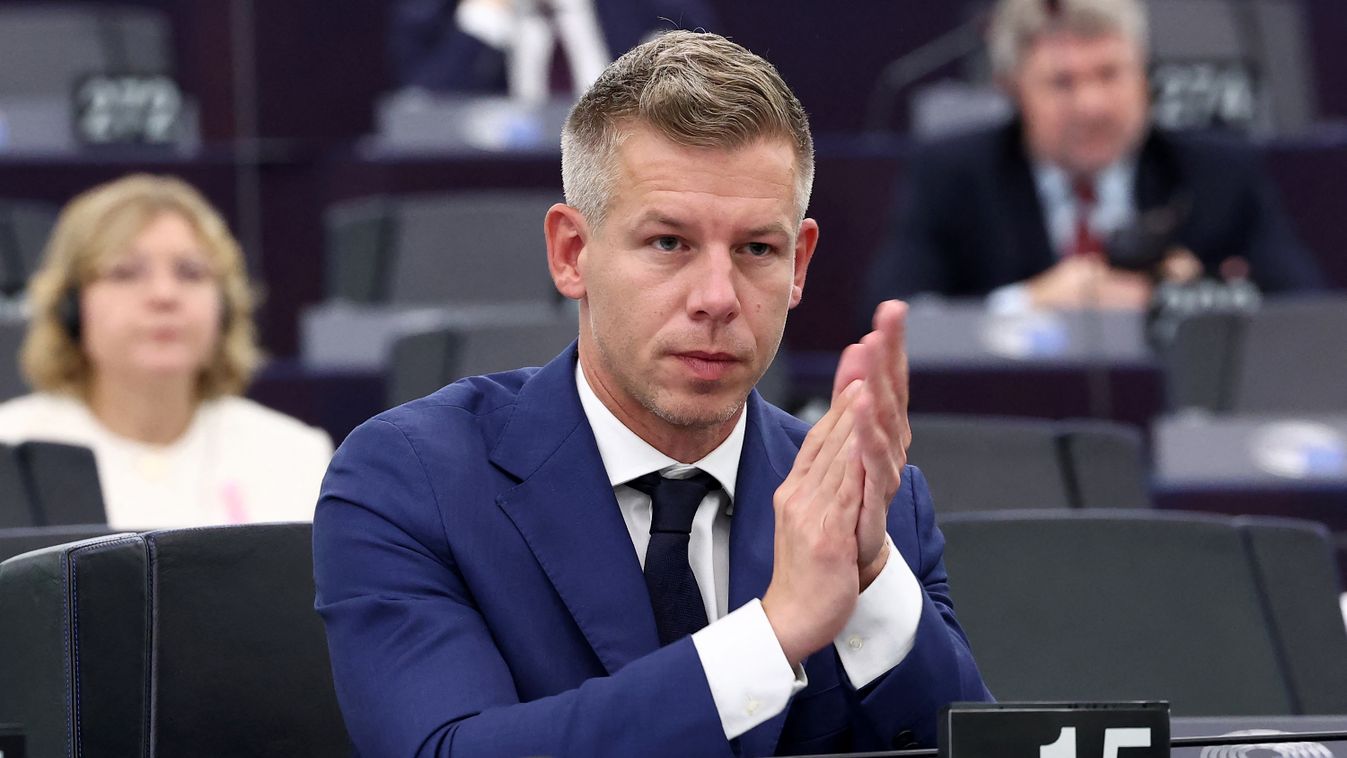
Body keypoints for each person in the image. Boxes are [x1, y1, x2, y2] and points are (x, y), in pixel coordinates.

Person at [314, 30, 989, 757]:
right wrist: (772, 634)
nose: (716, 298)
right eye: (669, 243)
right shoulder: (412, 480)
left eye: (756, 249)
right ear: (572, 253)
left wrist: (867, 579)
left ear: (799, 265)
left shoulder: (871, 503)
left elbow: (968, 742)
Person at [864, 0, 1322, 314]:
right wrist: (1031, 305)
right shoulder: (954, 175)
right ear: (1012, 89)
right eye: (1063, 82)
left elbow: (1302, 313)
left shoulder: (1216, 173)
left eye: (1109, 74)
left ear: (1144, 76)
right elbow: (887, 313)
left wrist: (1185, 301)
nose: (1092, 106)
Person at [0, 174, 332, 528]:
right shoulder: (10, 444)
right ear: (70, 306)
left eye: (191, 273)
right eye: (125, 273)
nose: (164, 295)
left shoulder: (295, 455)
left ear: (225, 307)